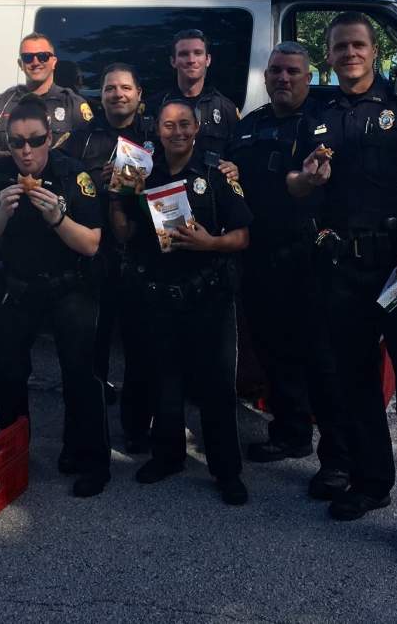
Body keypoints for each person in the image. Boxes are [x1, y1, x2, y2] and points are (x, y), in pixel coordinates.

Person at [287, 12, 397, 567]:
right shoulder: (316, 114)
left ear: (374, 50)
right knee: (357, 384)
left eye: (358, 44)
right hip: (343, 266)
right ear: (328, 54)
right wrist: (307, 179)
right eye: (340, 46)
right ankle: (371, 482)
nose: (350, 53)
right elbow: (293, 185)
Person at [0, 95, 111, 498]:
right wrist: (1, 212)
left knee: (81, 375)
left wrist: (57, 218)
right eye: (17, 142)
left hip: (68, 286)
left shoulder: (71, 175)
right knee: (8, 374)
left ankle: (87, 459)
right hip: (18, 287)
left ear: (50, 138)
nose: (26, 151)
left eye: (35, 140)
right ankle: (13, 455)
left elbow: (91, 244)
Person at [110, 101, 252, 506]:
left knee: (217, 388)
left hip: (209, 297)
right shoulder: (140, 169)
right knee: (164, 383)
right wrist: (117, 198)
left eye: (184, 124)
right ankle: (167, 457)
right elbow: (123, 234)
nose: (177, 132)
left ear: (197, 127)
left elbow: (242, 236)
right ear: (158, 128)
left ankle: (227, 471)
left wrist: (211, 243)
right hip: (159, 296)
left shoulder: (215, 171)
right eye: (169, 125)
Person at [228, 41, 350, 497]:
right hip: (260, 257)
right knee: (273, 351)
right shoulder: (249, 126)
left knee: (322, 361)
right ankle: (290, 433)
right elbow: (232, 180)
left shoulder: (326, 122)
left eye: (293, 71)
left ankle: (337, 460)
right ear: (265, 77)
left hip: (312, 258)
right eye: (276, 70)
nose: (283, 78)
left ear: (308, 76)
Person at [61, 62, 157, 452]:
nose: (118, 94)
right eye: (110, 88)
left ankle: (136, 430)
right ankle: (88, 434)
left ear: (139, 94)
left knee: (141, 350)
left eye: (125, 88)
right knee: (92, 351)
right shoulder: (80, 140)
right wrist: (91, 183)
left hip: (143, 257)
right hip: (95, 259)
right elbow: (60, 181)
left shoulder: (155, 135)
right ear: (100, 96)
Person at [0, 32, 92, 171]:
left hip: (59, 184)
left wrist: (4, 158)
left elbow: (88, 156)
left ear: (54, 62)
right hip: (10, 183)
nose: (35, 62)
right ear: (20, 64)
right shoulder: (1, 103)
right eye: (28, 57)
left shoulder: (73, 104)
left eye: (43, 56)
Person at [146, 29, 239, 161]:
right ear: (173, 61)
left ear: (208, 60)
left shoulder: (225, 108)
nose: (191, 60)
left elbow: (235, 157)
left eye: (198, 53)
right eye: (184, 54)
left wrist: (233, 167)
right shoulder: (155, 106)